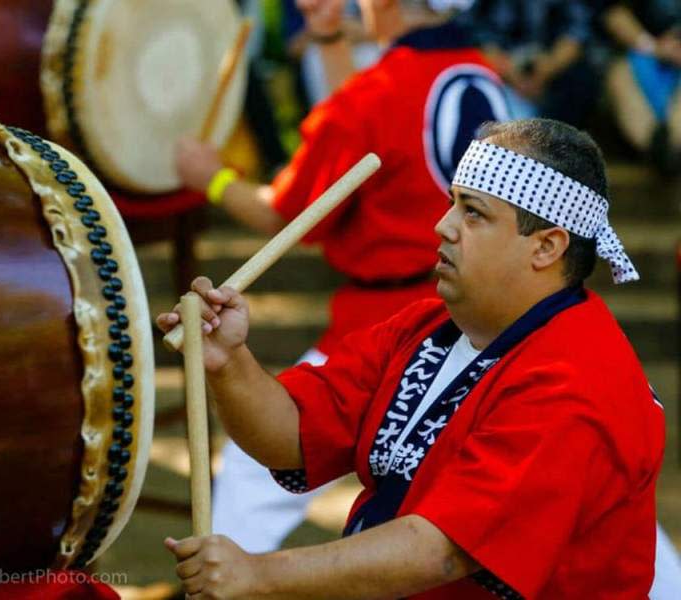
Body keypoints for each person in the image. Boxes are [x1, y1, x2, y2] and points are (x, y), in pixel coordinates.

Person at [158, 118, 665, 599]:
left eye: (473, 212)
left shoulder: (576, 381)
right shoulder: (426, 328)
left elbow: (442, 550)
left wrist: (259, 574)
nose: (443, 227)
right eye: (451, 204)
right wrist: (229, 361)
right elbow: (291, 436)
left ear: (546, 247)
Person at [174, 0, 509, 555]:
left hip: (393, 327)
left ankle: (221, 579)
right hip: (484, 318)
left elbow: (289, 213)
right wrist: (333, 44)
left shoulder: (373, 94)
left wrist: (211, 178)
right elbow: (367, 140)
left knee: (266, 459)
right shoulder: (476, 69)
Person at [464, 0, 600, 127]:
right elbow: (474, 34)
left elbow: (577, 32)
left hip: (551, 69)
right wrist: (512, 75)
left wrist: (546, 70)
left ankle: (559, 145)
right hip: (501, 72)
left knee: (581, 79)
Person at [598, 0, 681, 174]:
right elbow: (613, 14)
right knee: (619, 76)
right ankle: (658, 150)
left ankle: (673, 148)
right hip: (643, 57)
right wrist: (654, 47)